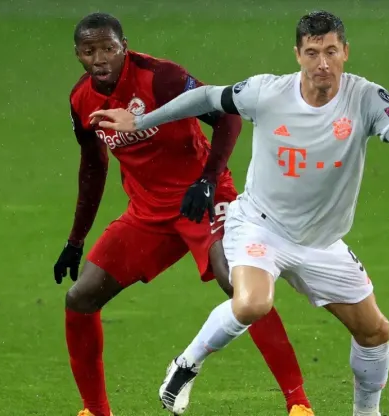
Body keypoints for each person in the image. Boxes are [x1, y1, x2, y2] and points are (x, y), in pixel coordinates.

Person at [88, 9, 389, 416]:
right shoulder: (267, 92)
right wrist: (140, 120)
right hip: (261, 226)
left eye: (331, 51)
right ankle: (186, 365)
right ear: (297, 54)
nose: (322, 63)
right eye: (313, 52)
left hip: (322, 243)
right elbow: (207, 98)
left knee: (375, 331)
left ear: (346, 52)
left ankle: (367, 413)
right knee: (252, 303)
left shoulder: (364, 97)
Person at [56, 12, 313, 416]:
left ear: (124, 46)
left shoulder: (161, 78)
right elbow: (93, 168)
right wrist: (75, 240)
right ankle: (94, 410)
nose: (100, 58)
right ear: (78, 55)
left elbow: (226, 116)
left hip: (203, 199)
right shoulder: (81, 99)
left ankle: (298, 403)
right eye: (90, 51)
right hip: (147, 214)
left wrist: (208, 179)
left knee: (241, 287)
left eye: (108, 48)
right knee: (81, 297)